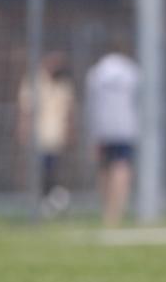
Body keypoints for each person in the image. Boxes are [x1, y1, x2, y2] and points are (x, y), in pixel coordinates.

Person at [85, 42, 140, 227]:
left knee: (104, 168)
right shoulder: (131, 71)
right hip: (126, 126)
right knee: (122, 167)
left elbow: (91, 105)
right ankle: (117, 212)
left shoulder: (96, 73)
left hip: (102, 127)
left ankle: (106, 212)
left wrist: (92, 134)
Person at [18, 51, 76, 215]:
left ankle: (50, 205)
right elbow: (26, 110)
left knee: (52, 173)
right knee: (40, 173)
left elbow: (69, 111)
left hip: (56, 137)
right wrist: (24, 130)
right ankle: (43, 204)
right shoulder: (34, 81)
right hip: (38, 136)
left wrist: (70, 132)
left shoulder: (64, 83)